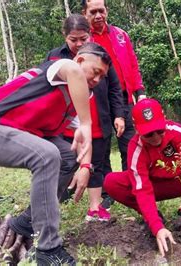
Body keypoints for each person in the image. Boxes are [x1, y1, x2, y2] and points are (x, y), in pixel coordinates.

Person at [0, 42, 110, 264]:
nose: (97, 80)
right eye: (95, 72)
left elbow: (80, 138)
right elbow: (74, 74)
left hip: (5, 133)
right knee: (47, 155)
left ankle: (27, 221)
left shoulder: (79, 98)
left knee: (67, 156)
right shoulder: (59, 68)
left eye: (102, 77)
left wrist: (85, 166)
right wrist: (87, 123)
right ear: (79, 60)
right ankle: (48, 250)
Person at [103, 99, 181, 257]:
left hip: (177, 182)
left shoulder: (177, 132)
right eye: (148, 134)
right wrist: (156, 227)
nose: (156, 138)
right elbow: (142, 190)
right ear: (136, 128)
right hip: (153, 187)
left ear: (164, 118)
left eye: (160, 131)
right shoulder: (136, 147)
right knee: (111, 182)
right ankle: (153, 215)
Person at [45, 14, 125, 221]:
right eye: (73, 39)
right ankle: (53, 202)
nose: (79, 44)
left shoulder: (99, 56)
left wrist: (119, 114)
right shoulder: (55, 57)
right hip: (64, 123)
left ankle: (95, 207)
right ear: (65, 36)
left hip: (96, 118)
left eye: (84, 39)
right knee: (63, 161)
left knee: (96, 162)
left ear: (90, 36)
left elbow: (115, 87)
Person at [82, 0, 145, 175]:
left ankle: (129, 182)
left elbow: (133, 65)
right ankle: (105, 188)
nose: (98, 16)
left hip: (124, 99)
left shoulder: (120, 35)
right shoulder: (85, 40)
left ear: (107, 11)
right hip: (96, 99)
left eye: (101, 11)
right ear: (84, 14)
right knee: (101, 146)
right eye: (92, 12)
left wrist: (140, 93)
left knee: (130, 143)